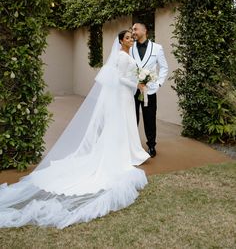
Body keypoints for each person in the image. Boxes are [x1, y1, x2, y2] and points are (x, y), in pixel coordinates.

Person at [0, 30, 150, 229]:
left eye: (132, 37)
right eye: (128, 38)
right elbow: (119, 78)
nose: (131, 39)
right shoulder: (122, 57)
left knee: (127, 123)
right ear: (121, 41)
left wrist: (138, 82)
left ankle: (131, 150)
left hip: (126, 95)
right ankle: (126, 153)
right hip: (122, 94)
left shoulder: (127, 55)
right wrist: (136, 83)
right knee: (122, 123)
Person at [131, 23, 168, 157]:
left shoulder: (157, 48)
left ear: (144, 30)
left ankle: (151, 146)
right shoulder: (130, 47)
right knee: (132, 118)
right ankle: (132, 146)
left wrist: (158, 84)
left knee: (150, 119)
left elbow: (164, 67)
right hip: (132, 91)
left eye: (135, 29)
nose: (133, 32)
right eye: (132, 30)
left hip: (150, 91)